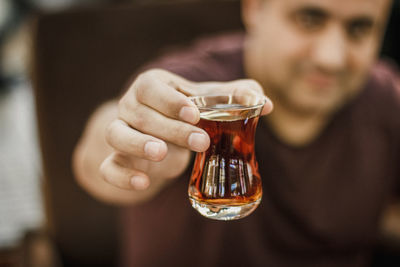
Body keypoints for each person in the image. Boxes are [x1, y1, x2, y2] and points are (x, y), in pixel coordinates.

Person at [72, 0, 400, 266]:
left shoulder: (386, 98)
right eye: (309, 19)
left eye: (359, 28)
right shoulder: (194, 85)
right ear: (254, 8)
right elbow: (98, 151)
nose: (331, 57)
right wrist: (134, 151)